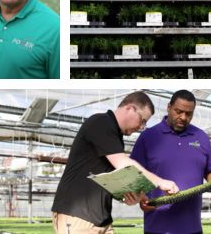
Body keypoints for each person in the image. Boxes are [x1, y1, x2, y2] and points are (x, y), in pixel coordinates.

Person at [52, 91, 179, 234]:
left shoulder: (115, 136)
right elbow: (122, 163)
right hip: (78, 217)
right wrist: (160, 181)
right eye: (142, 120)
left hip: (102, 220)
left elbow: (111, 178)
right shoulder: (101, 122)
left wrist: (131, 195)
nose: (141, 127)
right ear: (130, 108)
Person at [130, 90, 211, 234]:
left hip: (192, 228)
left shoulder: (201, 137)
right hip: (157, 227)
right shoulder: (148, 137)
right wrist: (141, 198)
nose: (183, 117)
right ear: (169, 107)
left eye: (189, 113)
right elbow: (134, 175)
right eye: (178, 111)